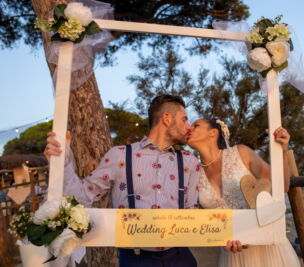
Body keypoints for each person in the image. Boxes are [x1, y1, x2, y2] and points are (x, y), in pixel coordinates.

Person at [44, 95, 200, 267]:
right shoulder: (119, 155)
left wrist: (230, 233)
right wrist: (62, 162)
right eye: (184, 119)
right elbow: (80, 197)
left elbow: (192, 215)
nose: (188, 127)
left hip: (180, 257)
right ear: (167, 118)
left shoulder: (189, 162)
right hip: (136, 259)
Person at [186, 118, 300, 267]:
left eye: (196, 125)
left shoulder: (241, 152)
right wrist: (220, 238)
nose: (189, 128)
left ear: (213, 133)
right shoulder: (194, 172)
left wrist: (283, 151)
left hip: (267, 249)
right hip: (233, 256)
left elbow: (282, 186)